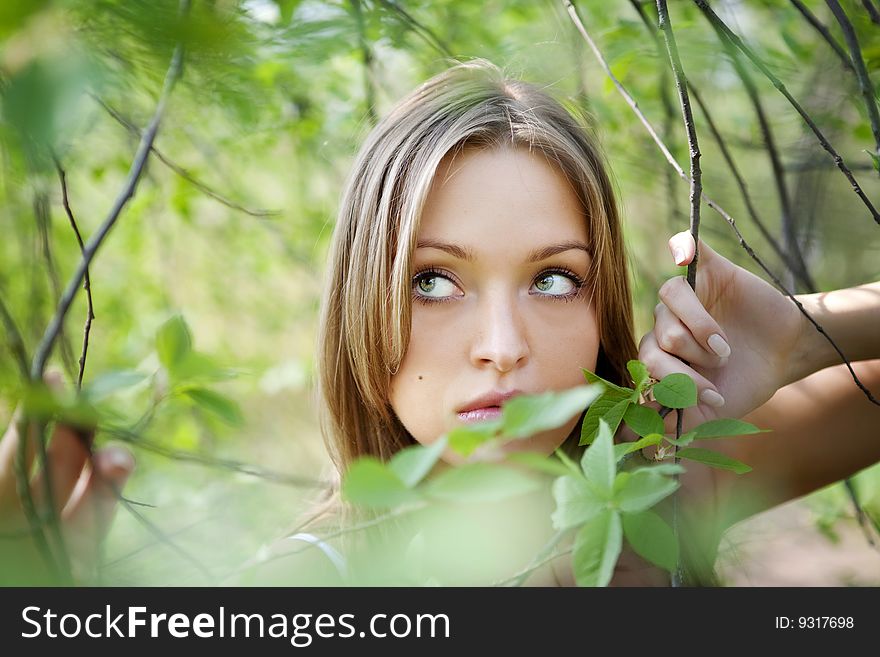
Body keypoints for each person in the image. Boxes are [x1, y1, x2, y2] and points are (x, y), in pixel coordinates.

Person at [1, 59, 878, 585]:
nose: (502, 345)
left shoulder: (664, 487)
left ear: (605, 304)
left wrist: (808, 334)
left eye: (554, 280)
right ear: (361, 304)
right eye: (432, 281)